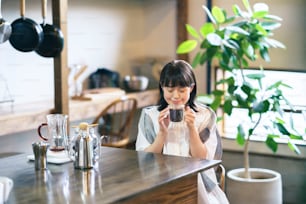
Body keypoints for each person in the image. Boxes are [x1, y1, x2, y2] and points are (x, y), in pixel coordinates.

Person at [135, 60, 229, 204]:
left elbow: (204, 159)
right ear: (162, 87)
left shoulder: (204, 115)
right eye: (170, 90)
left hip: (196, 182)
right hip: (159, 182)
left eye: (182, 90)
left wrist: (192, 128)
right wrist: (162, 133)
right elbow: (144, 159)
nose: (176, 96)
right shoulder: (150, 116)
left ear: (191, 88)